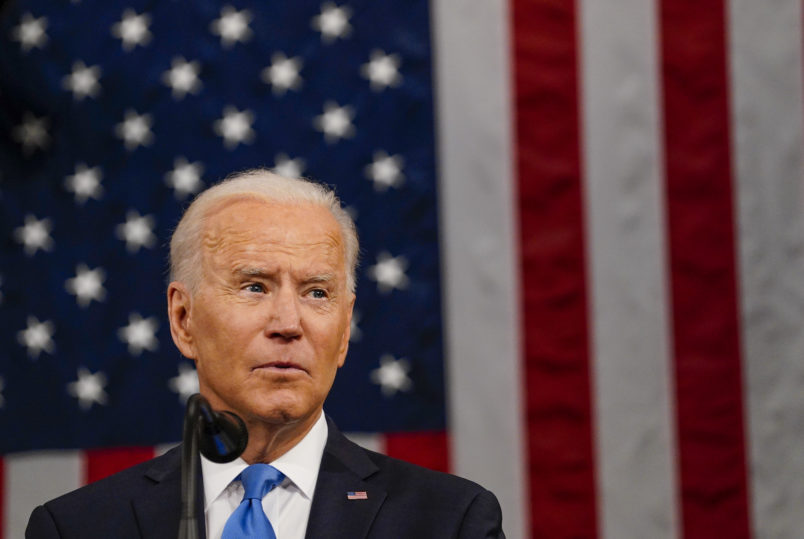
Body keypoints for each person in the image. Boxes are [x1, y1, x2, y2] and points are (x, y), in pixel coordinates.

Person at [25, 169, 505, 538]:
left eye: (317, 293)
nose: (288, 324)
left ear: (344, 333)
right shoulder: (77, 528)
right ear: (183, 319)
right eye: (255, 286)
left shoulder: (449, 523)